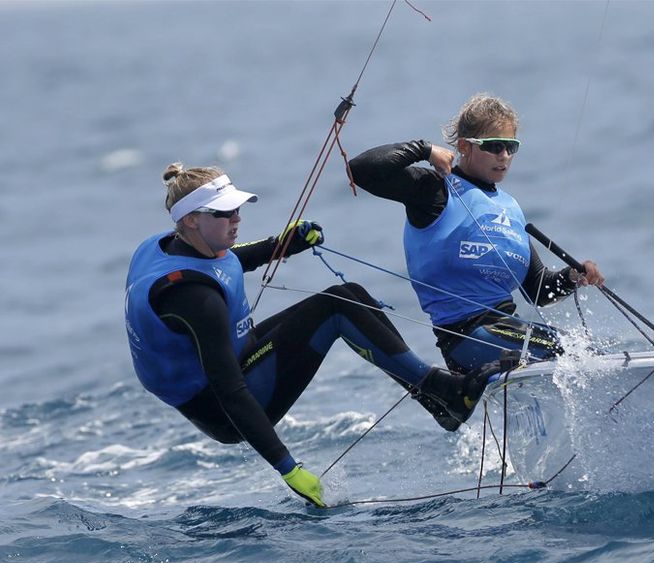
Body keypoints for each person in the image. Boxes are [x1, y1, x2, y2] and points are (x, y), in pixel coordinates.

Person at [124, 163, 504, 509]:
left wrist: (280, 245)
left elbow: (229, 259)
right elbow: (230, 391)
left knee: (351, 294)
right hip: (225, 408)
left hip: (236, 361)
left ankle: (439, 399)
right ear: (190, 219)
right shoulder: (194, 299)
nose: (237, 219)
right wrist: (290, 470)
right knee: (336, 307)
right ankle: (447, 393)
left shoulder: (172, 244)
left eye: (238, 208)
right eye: (224, 213)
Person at [349, 93, 605, 373]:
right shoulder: (435, 190)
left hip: (506, 331)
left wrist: (573, 275)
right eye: (494, 146)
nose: (504, 156)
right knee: (571, 352)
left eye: (511, 147)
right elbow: (362, 170)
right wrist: (424, 150)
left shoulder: (511, 208)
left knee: (586, 352)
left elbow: (539, 290)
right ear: (464, 147)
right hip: (466, 336)